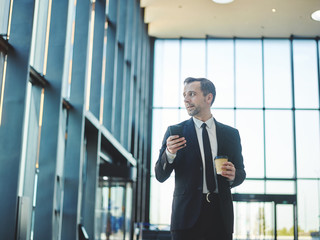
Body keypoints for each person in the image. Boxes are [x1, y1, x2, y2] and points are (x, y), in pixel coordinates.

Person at [155, 77, 246, 240]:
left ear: (208, 98)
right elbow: (160, 176)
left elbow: (241, 173)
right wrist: (169, 153)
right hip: (185, 219)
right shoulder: (175, 132)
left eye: (191, 94)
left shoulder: (231, 135)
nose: (186, 100)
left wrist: (234, 176)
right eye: (184, 95)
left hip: (221, 218)